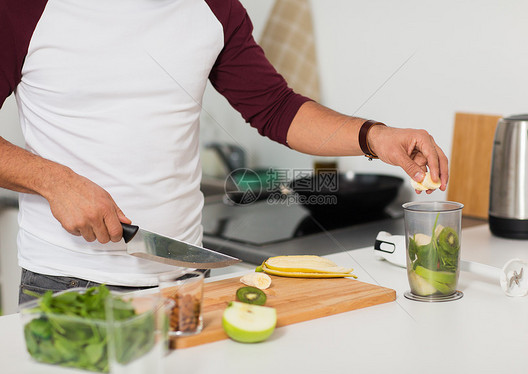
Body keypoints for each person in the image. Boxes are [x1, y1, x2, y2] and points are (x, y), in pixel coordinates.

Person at [1, 0, 448, 304]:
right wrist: (53, 181)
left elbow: (274, 107)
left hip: (184, 281)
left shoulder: (214, 7)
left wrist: (374, 136)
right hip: (66, 284)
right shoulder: (25, 8)